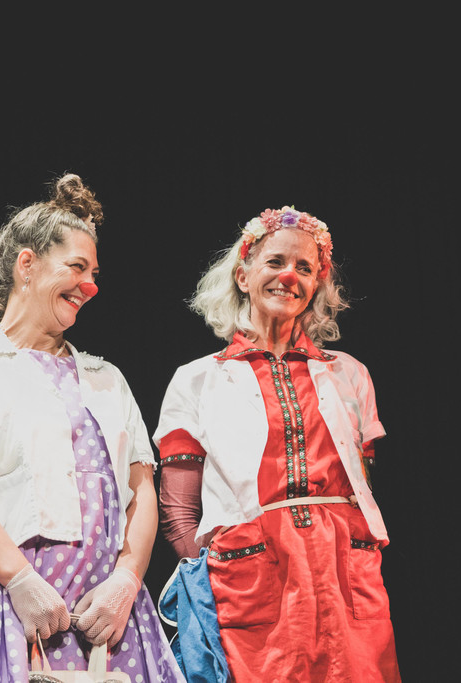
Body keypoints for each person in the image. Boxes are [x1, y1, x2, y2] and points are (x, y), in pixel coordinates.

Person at [0, 174, 185, 682]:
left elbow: (141, 492)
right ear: (27, 264)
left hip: (102, 624)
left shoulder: (106, 379)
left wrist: (126, 581)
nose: (90, 286)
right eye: (76, 267)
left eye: (94, 273)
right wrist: (20, 579)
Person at [154, 206, 401, 681]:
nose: (289, 276)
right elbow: (179, 513)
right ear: (243, 275)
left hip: (346, 576)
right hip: (249, 580)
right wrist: (220, 571)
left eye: (304, 267)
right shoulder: (197, 380)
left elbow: (362, 486)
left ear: (316, 285)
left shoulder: (349, 373)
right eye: (275, 262)